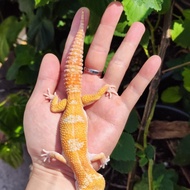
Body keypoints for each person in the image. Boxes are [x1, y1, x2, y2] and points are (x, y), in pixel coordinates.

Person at [23, 1, 161, 190]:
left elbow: (99, 157)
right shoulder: (72, 163)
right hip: (71, 103)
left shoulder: (88, 159)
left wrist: (103, 158)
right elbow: (59, 156)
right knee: (56, 106)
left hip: (76, 103)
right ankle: (82, 33)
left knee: (74, 98)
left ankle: (104, 87)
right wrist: (48, 159)